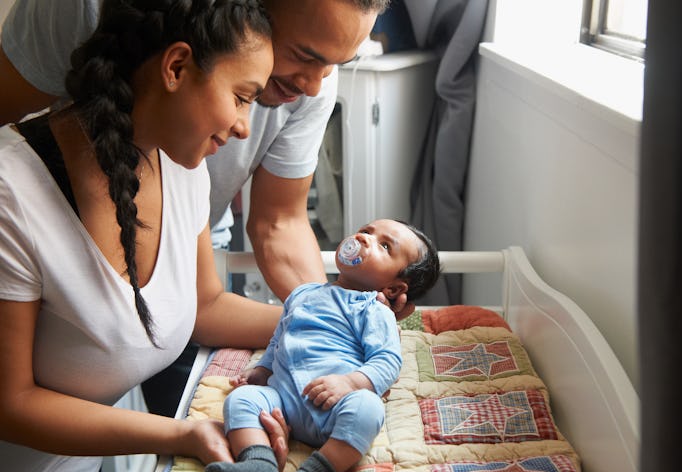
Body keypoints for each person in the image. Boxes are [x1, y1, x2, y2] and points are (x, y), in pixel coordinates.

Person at [0, 0, 410, 419]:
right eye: (305, 56)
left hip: (184, 258)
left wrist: (331, 317)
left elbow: (277, 223)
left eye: (335, 65)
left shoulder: (186, 175)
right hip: (53, 239)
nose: (315, 86)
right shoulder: (84, 13)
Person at [0, 1, 293, 472]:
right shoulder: (13, 193)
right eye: (242, 97)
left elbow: (206, 306)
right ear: (176, 67)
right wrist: (183, 433)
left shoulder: (183, 164)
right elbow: (12, 404)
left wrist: (321, 315)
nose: (245, 125)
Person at [203, 219, 441, 472]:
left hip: (335, 404)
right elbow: (281, 335)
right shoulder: (304, 293)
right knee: (241, 400)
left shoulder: (373, 310)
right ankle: (259, 466)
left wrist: (351, 384)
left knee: (368, 408)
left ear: (393, 290)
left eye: (384, 246)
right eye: (366, 231)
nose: (364, 238)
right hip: (283, 401)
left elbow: (387, 360)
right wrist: (264, 368)